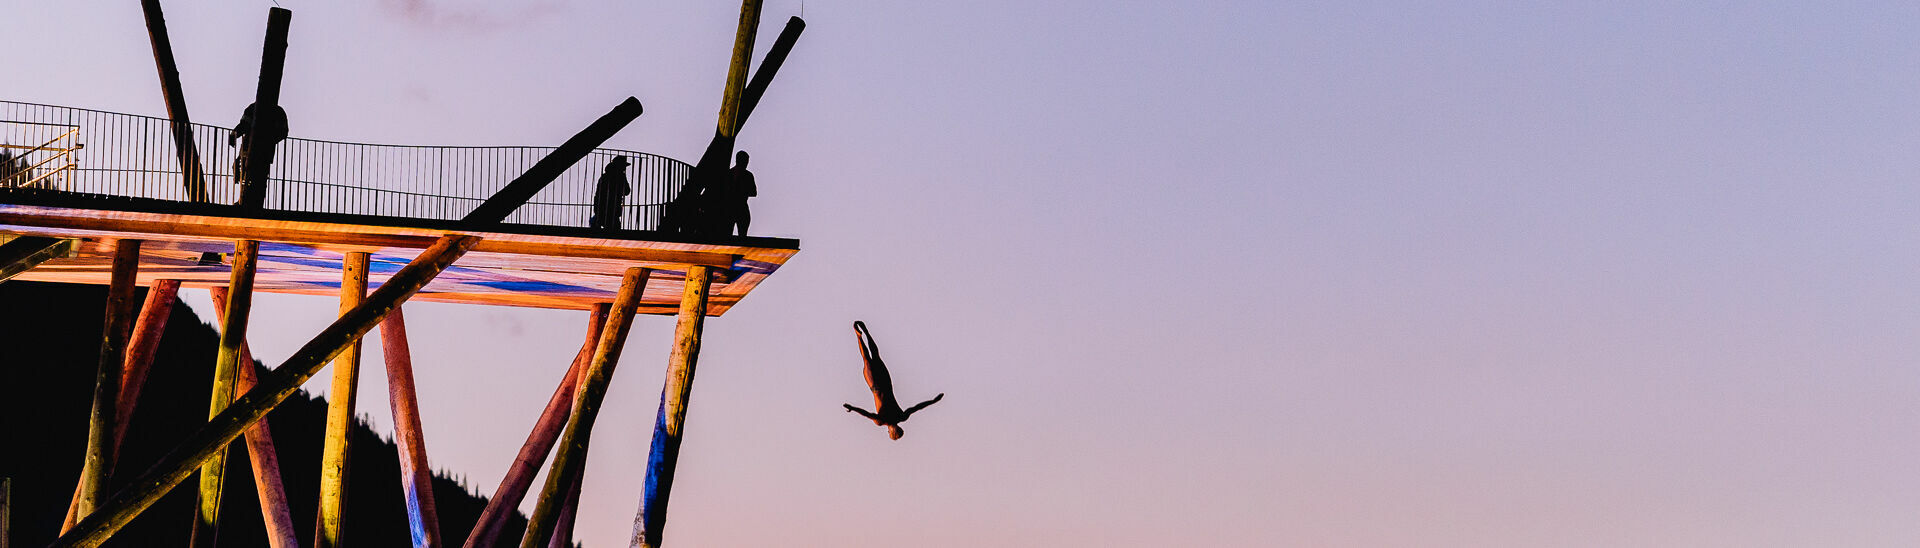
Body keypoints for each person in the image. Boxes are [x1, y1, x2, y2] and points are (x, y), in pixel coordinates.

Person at [843, 321, 943, 440]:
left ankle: (867, 333)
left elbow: (917, 407)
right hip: (875, 386)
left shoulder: (901, 416)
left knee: (876, 356)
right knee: (866, 359)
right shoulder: (881, 421)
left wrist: (933, 401)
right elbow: (866, 414)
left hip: (886, 383)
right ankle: (858, 336)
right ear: (890, 431)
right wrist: (853, 408)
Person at [229, 102, 288, 207]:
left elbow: (244, 125)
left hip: (249, 149)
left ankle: (244, 200)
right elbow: (283, 132)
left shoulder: (253, 108)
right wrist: (270, 140)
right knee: (258, 177)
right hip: (264, 153)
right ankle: (251, 201)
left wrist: (234, 134)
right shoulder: (278, 111)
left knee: (246, 175)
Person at [591, 156, 631, 229]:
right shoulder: (620, 177)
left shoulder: (604, 176)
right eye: (623, 166)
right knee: (614, 230)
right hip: (612, 209)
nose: (624, 168)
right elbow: (627, 191)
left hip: (601, 207)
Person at [723, 150, 757, 236]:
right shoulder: (748, 175)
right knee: (740, 234)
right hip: (739, 207)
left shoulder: (729, 174)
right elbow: (753, 192)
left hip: (732, 207)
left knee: (728, 233)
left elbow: (754, 192)